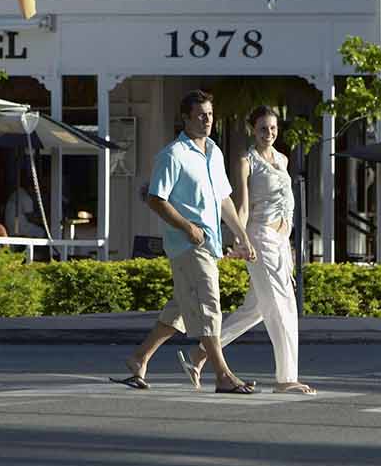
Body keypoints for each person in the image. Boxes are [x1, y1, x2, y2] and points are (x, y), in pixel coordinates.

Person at [113, 89, 257, 394]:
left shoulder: (214, 152)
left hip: (210, 243)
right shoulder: (172, 155)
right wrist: (188, 227)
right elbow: (155, 199)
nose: (207, 120)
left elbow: (224, 199)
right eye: (201, 115)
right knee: (208, 305)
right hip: (188, 245)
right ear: (186, 118)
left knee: (181, 307)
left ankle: (139, 358)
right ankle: (222, 374)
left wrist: (243, 235)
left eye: (210, 115)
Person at [183, 105, 315, 395]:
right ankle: (285, 379)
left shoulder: (282, 159)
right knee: (282, 308)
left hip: (281, 242)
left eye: (273, 129)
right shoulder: (247, 160)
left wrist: (289, 249)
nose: (269, 133)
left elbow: (287, 205)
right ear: (252, 130)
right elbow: (241, 205)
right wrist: (240, 239)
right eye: (263, 129)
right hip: (260, 237)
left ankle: (200, 353)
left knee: (255, 309)